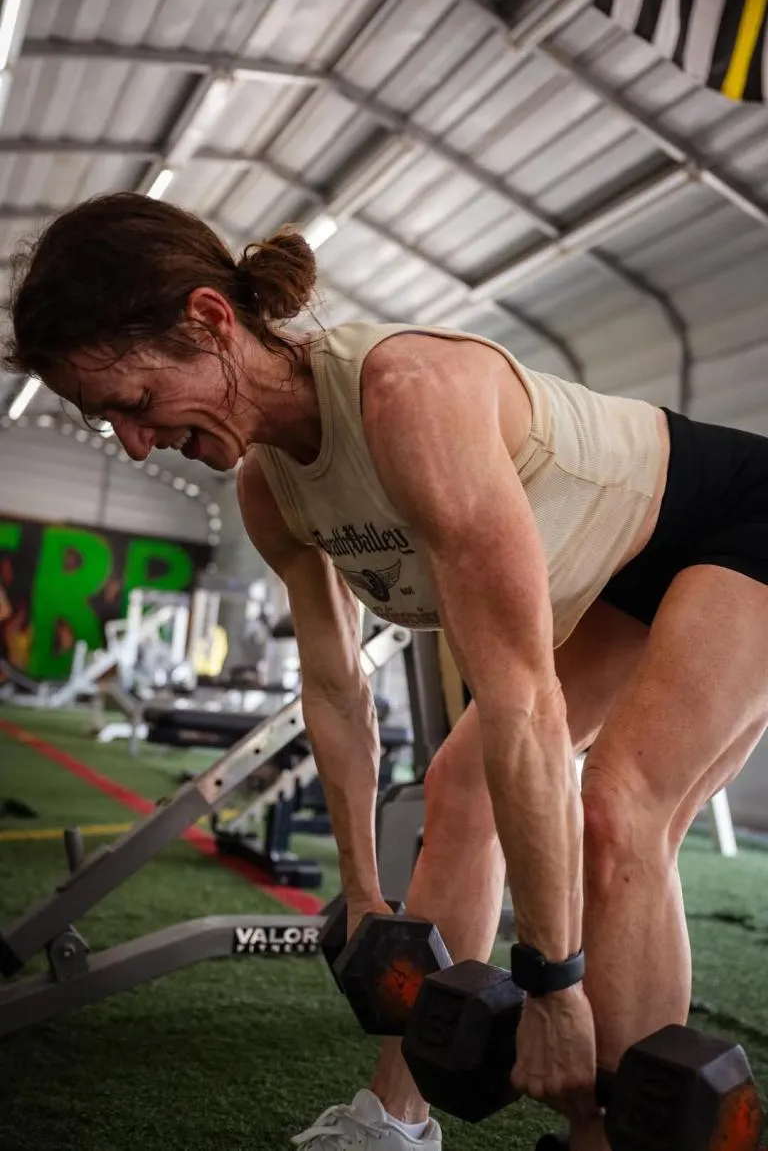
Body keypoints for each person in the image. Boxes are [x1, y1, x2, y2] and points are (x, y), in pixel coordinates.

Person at [6, 192, 768, 1151]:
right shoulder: (268, 488)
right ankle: (392, 1123)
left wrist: (552, 979)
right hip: (623, 566)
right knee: (455, 787)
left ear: (208, 322)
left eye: (137, 403)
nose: (133, 442)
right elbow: (333, 691)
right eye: (108, 422)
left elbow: (522, 701)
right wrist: (367, 897)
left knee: (620, 806)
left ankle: (615, 1132)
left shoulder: (407, 401)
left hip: (737, 517)